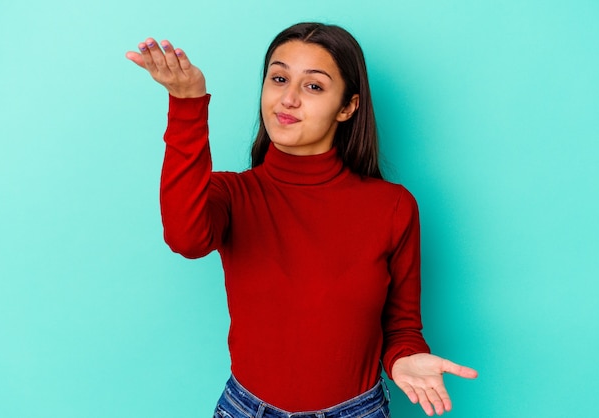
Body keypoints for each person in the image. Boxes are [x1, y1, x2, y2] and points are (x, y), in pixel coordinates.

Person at [126, 22, 478, 417]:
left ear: (348, 106)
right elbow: (185, 239)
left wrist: (404, 359)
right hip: (246, 409)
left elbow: (401, 326)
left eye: (313, 86)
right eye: (278, 78)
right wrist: (187, 102)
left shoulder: (393, 207)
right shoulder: (233, 195)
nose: (288, 98)